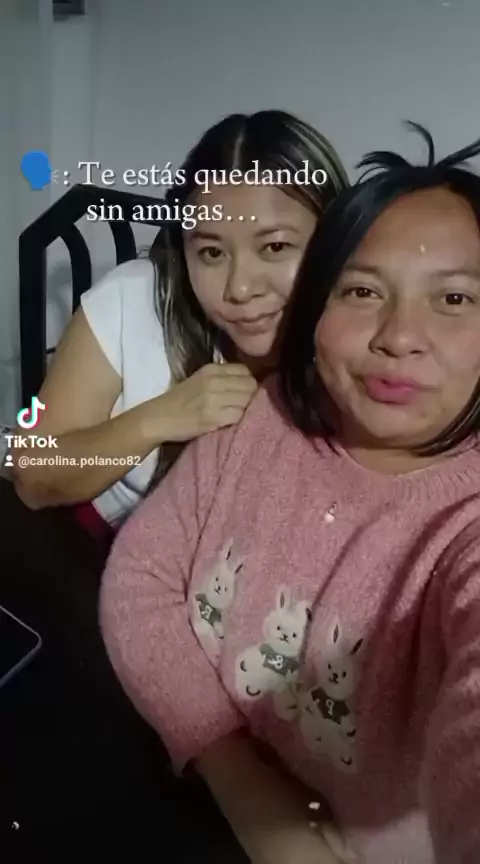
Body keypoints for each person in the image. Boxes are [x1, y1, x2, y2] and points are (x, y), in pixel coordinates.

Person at [100, 124, 480, 864]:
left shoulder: (459, 527)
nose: (399, 336)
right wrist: (243, 782)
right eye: (363, 291)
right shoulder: (246, 393)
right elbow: (36, 461)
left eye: (456, 297)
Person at [11, 111, 348, 537]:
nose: (240, 288)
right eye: (211, 253)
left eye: (275, 247)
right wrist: (161, 418)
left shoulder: (361, 347)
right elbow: (31, 473)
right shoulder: (134, 300)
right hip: (87, 548)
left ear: (335, 240)